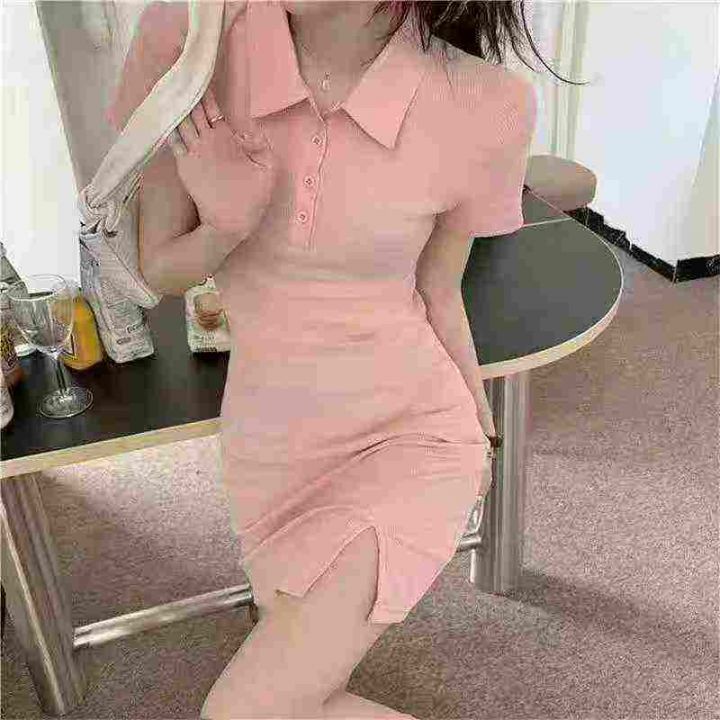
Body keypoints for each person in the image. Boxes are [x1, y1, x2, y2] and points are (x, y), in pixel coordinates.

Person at [104, 1, 573, 717]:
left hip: (410, 433)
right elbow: (160, 267)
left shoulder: (488, 103)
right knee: (297, 701)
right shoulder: (188, 35)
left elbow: (438, 290)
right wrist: (226, 225)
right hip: (272, 452)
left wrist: (477, 423)